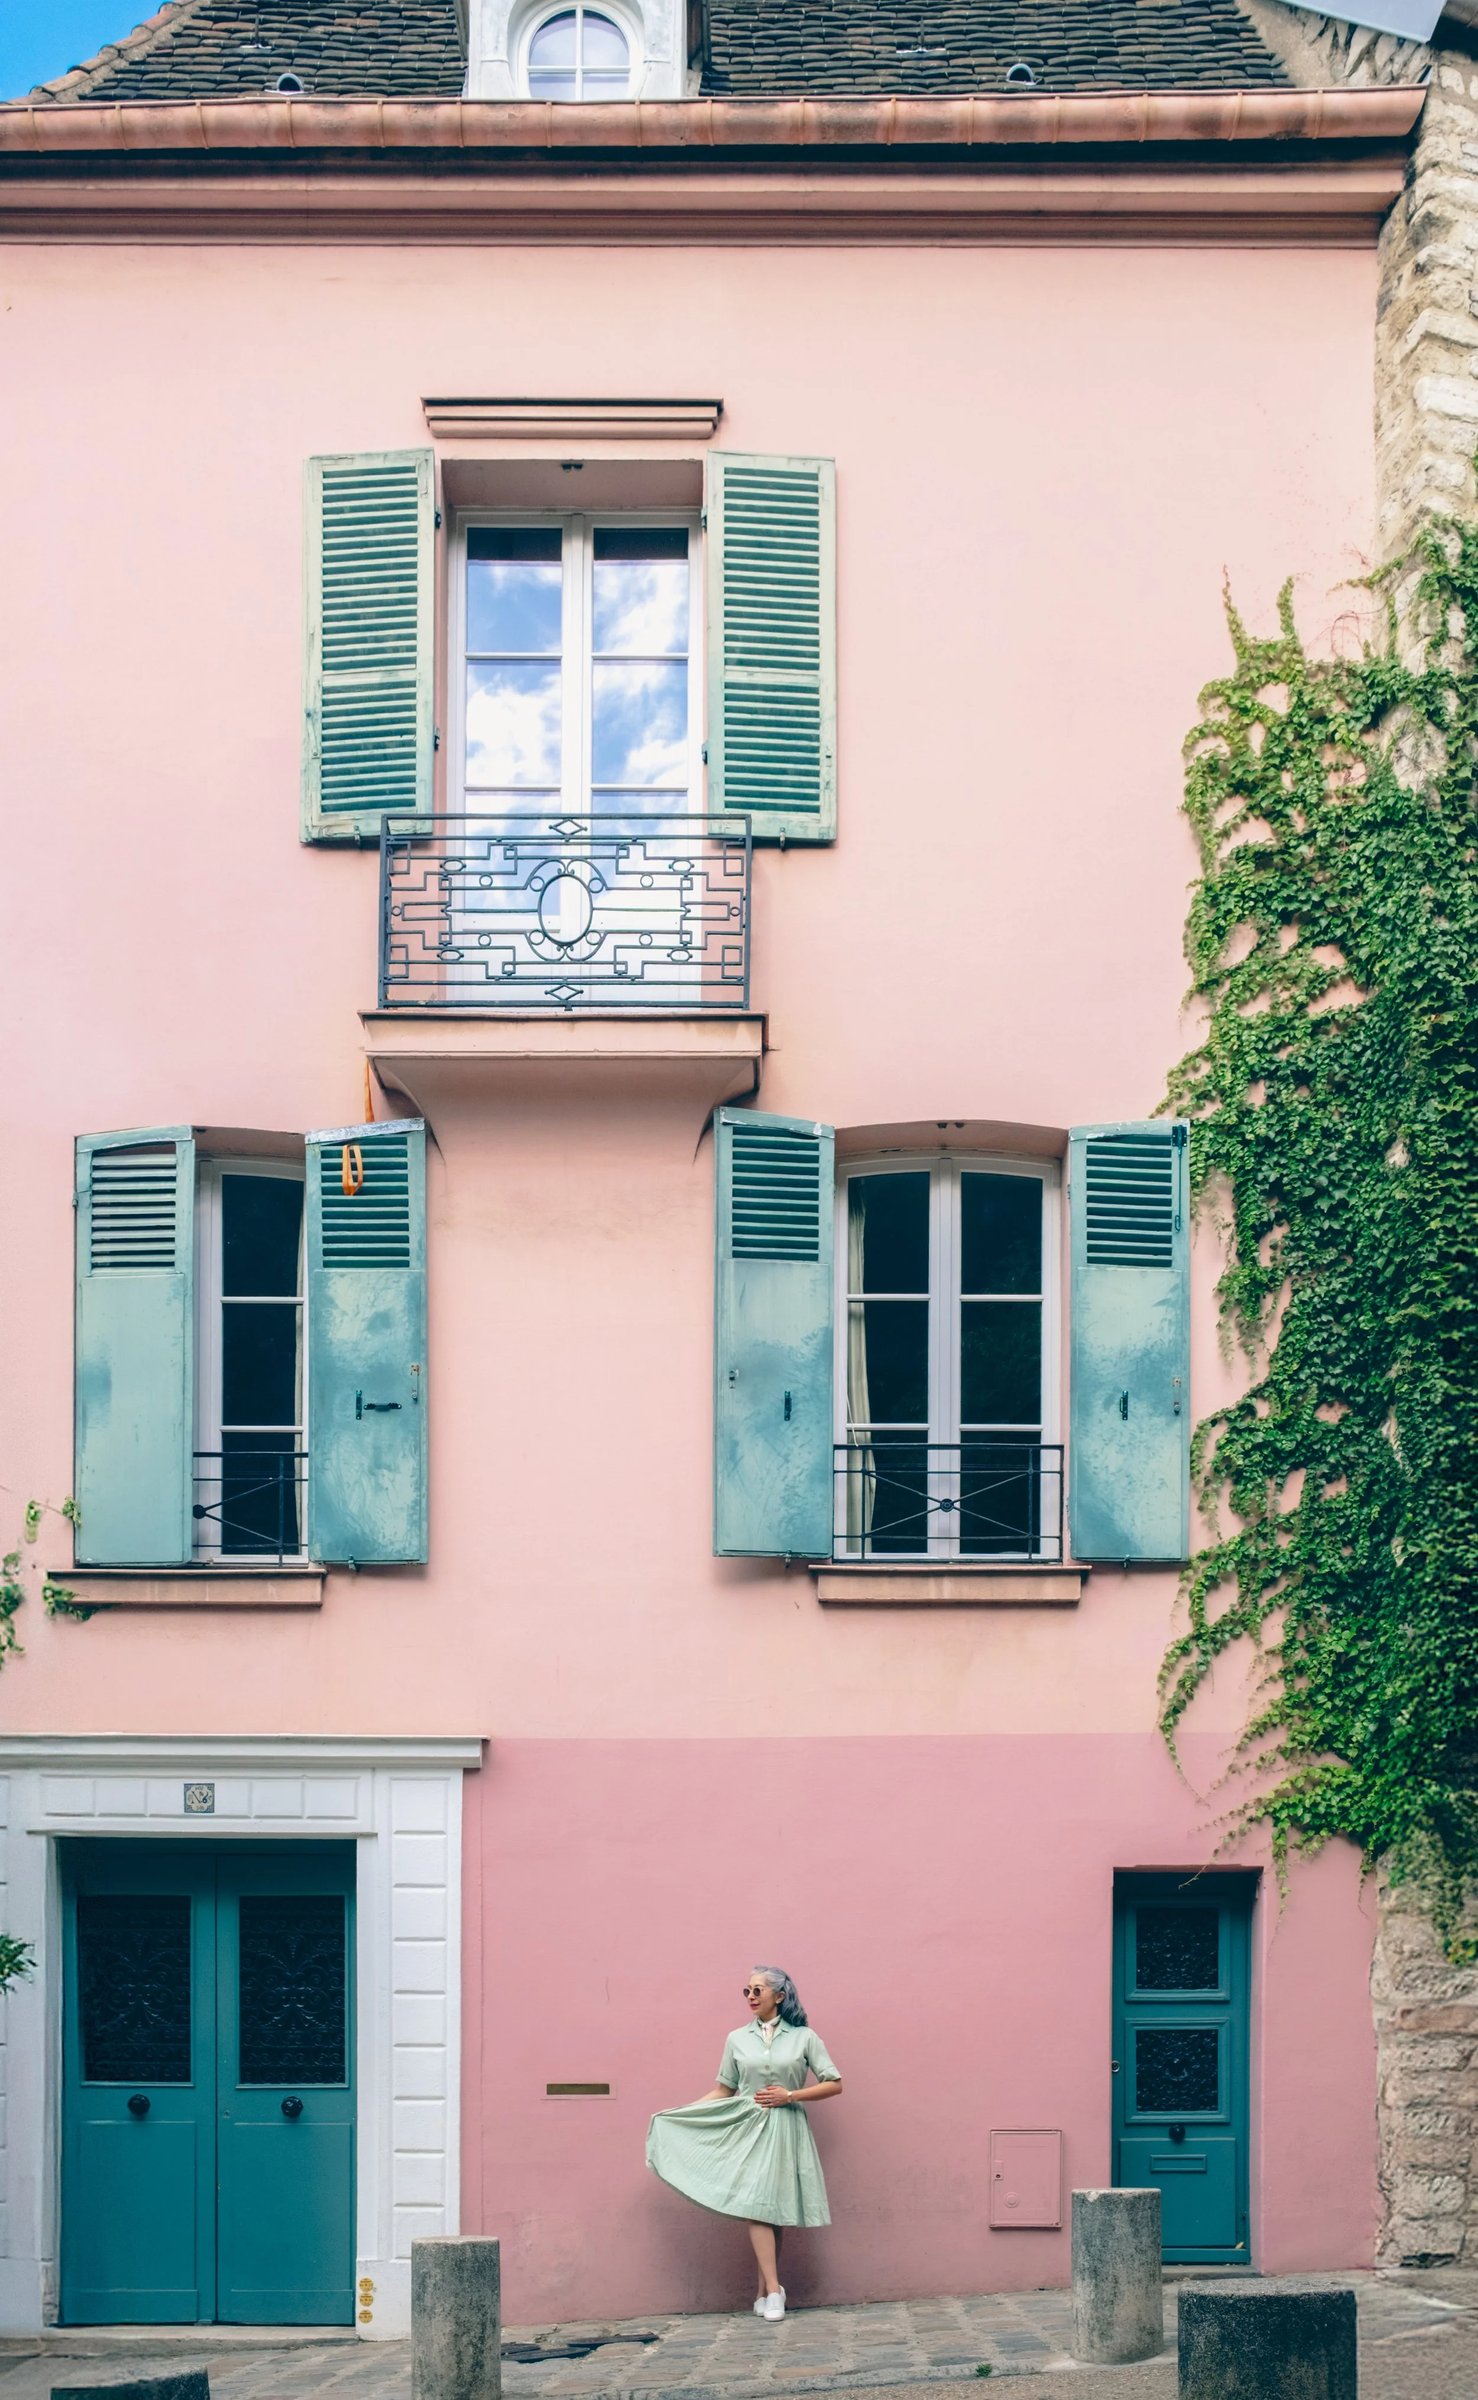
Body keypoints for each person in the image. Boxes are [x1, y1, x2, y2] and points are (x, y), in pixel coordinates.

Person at [646, 1966, 842, 2320]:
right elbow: (725, 2089)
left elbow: (834, 2083)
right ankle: (774, 2291)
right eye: (747, 1991)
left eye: (757, 1990)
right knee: (758, 2206)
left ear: (779, 1995)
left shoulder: (804, 2037)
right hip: (748, 2129)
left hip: (786, 2127)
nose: (751, 1997)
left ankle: (763, 2292)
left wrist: (790, 2095)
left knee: (773, 2210)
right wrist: (682, 2113)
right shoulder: (736, 2038)